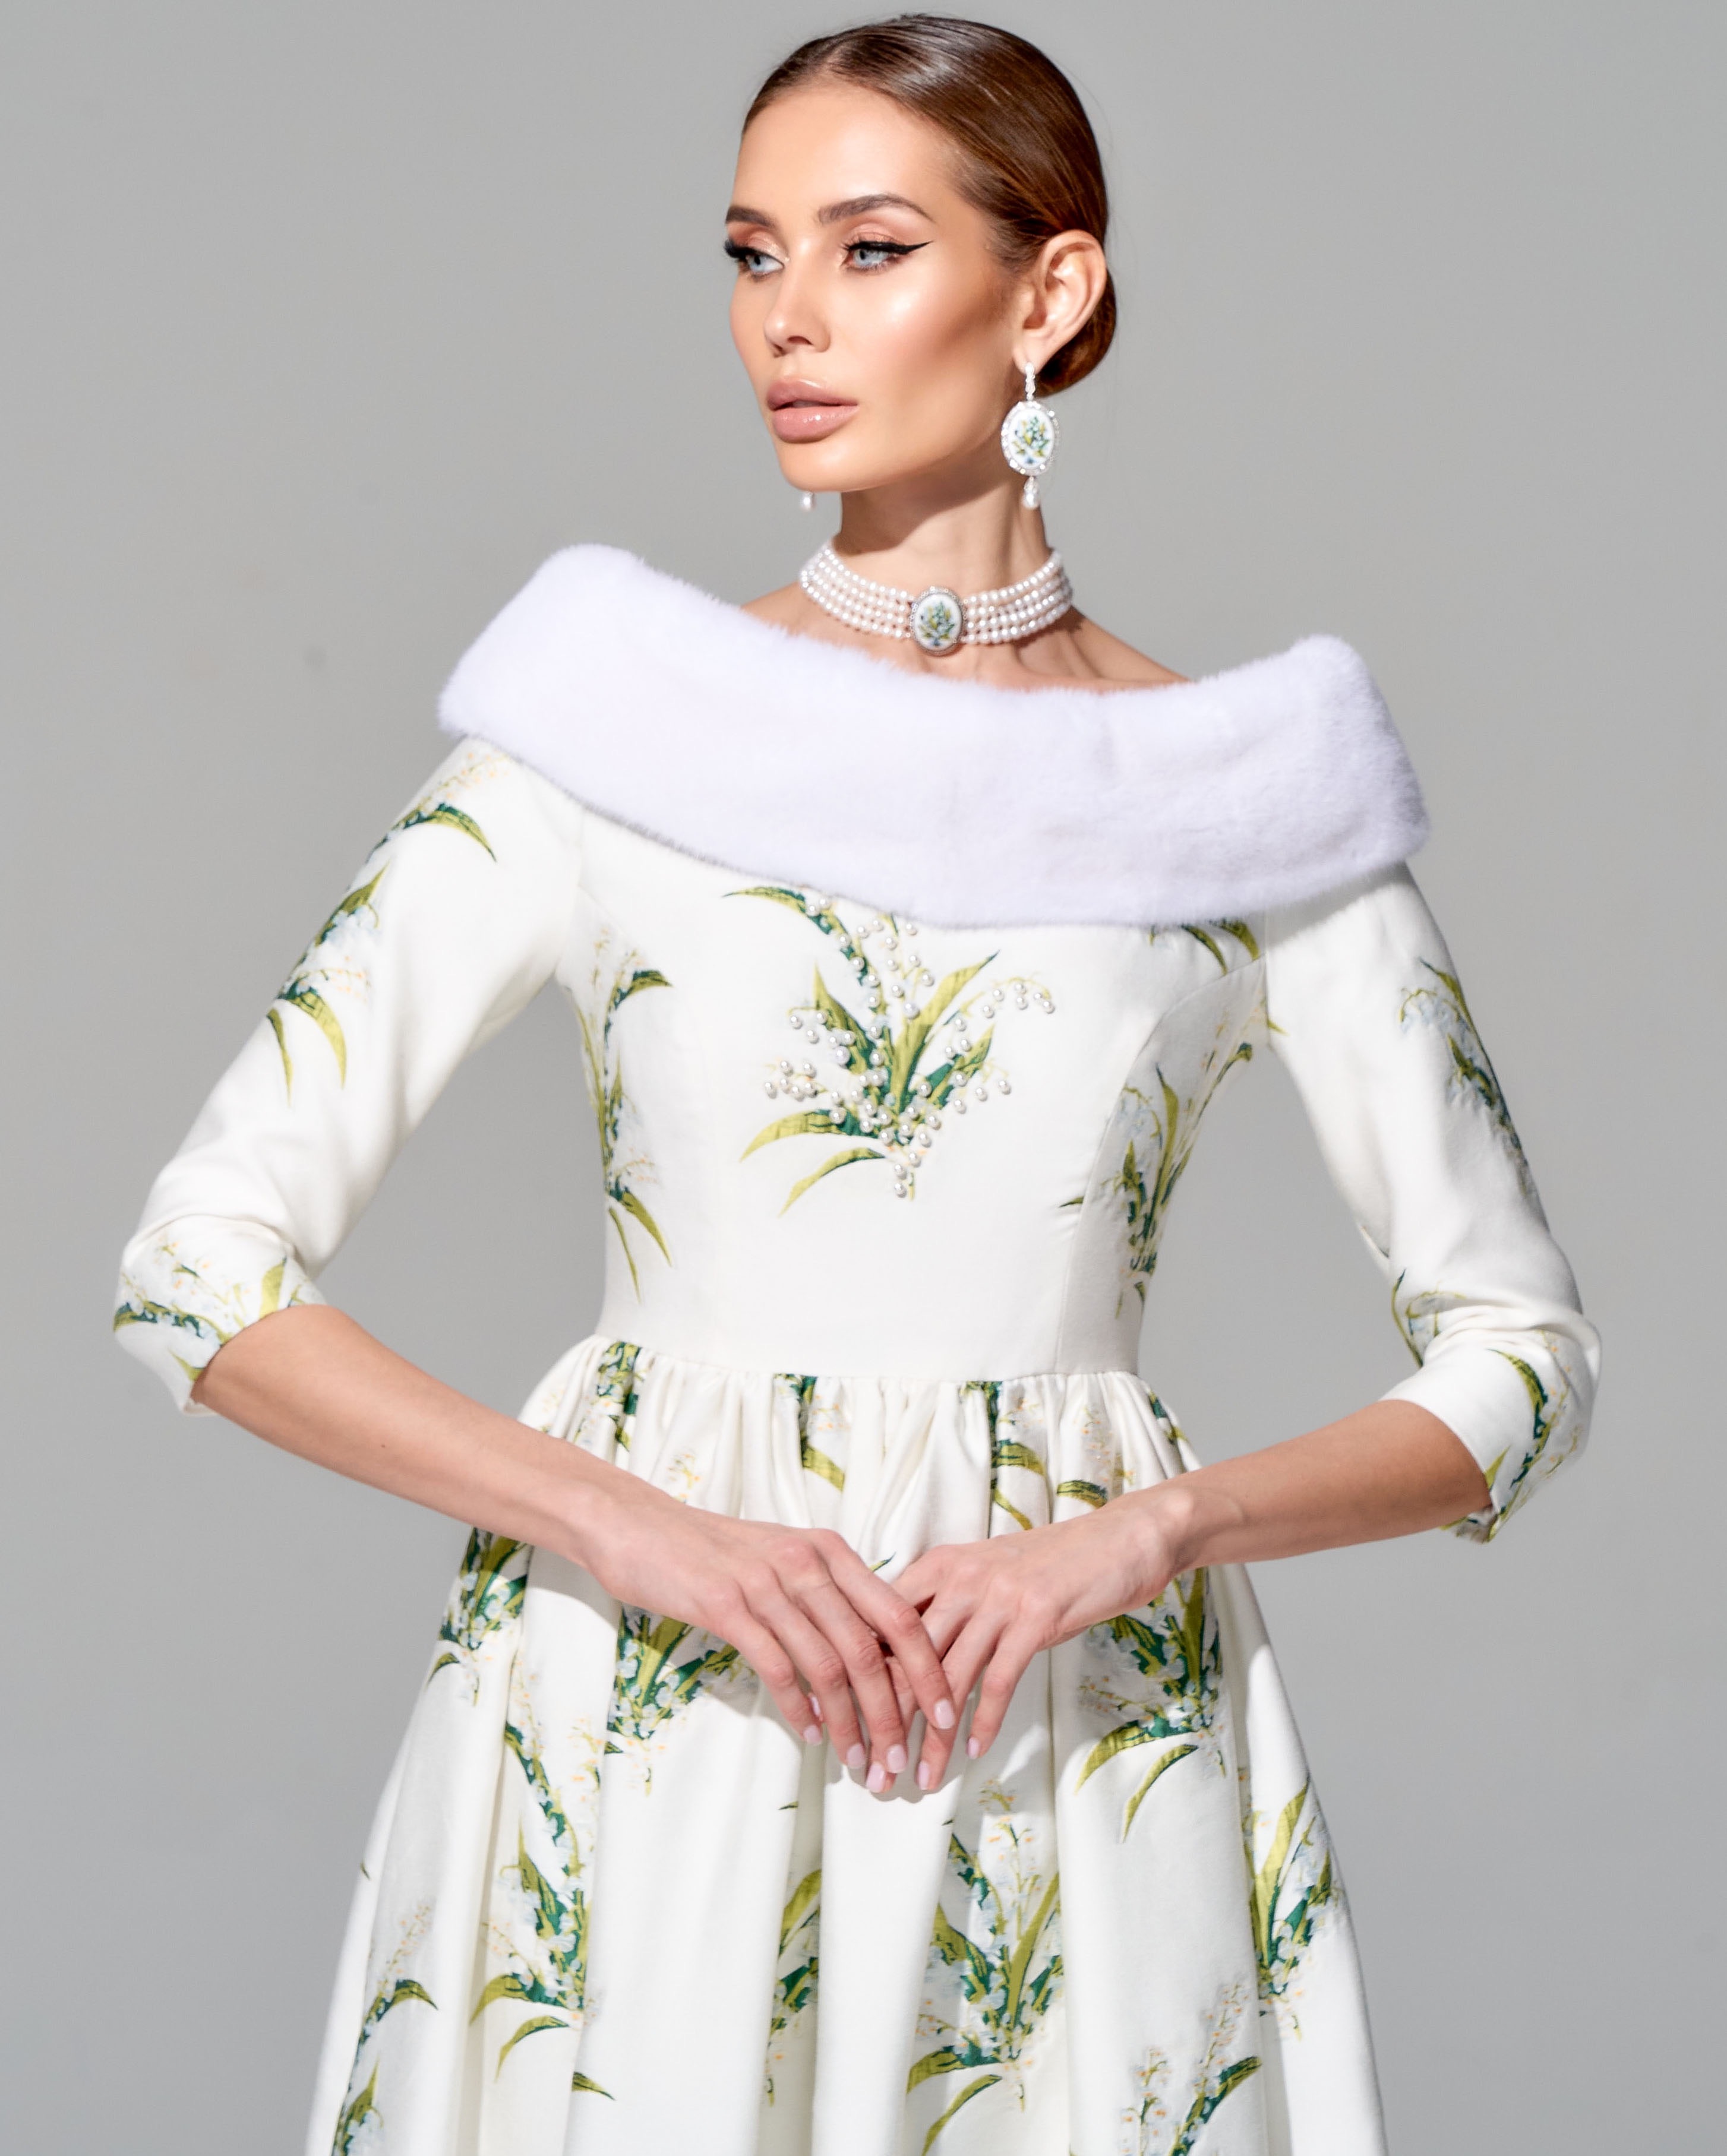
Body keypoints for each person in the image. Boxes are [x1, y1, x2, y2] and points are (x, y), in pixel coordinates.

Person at [113, 18, 1597, 2156]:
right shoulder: (610, 726)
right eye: (751, 253)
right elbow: (197, 1267)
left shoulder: (1243, 795)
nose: (785, 320)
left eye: (869, 249)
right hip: (647, 1712)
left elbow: (1520, 1362)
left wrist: (1141, 1537)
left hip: (1072, 1737)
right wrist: (633, 1524)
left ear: (1048, 293)